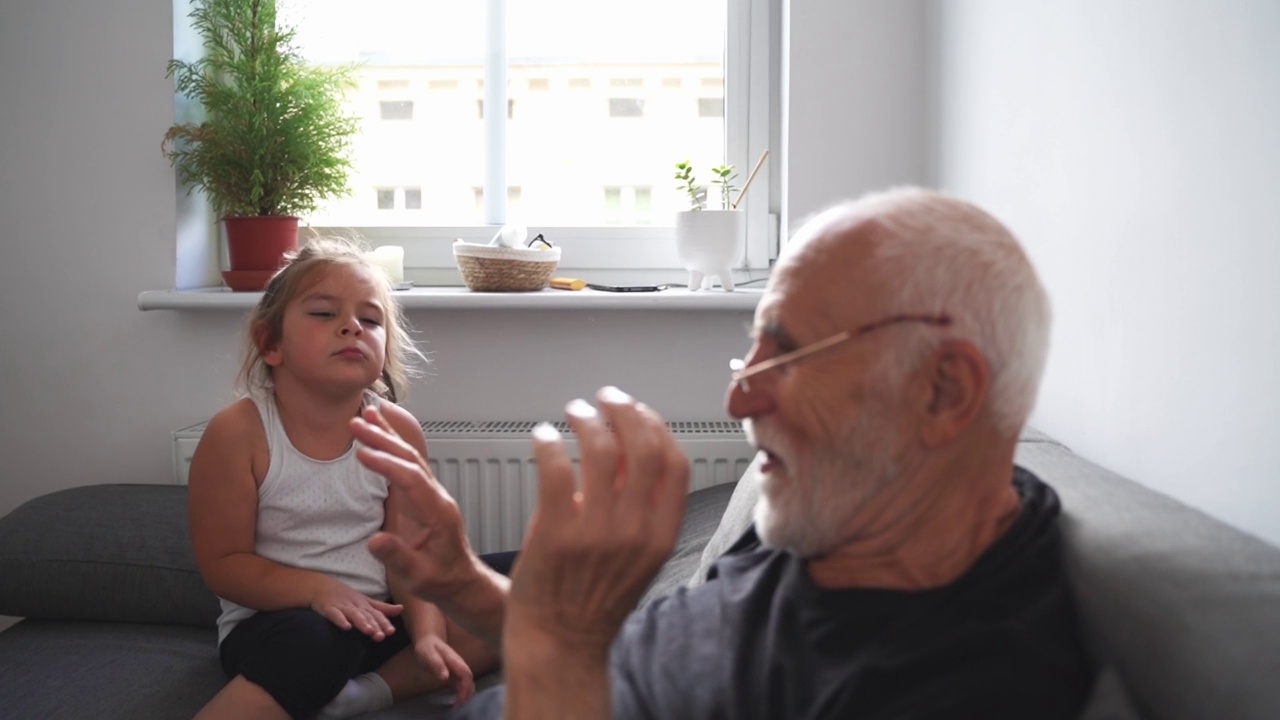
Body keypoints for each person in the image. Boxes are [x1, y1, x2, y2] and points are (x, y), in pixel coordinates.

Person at [350, 187, 1094, 719]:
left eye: (788, 355)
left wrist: (559, 651)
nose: (739, 401)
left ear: (942, 392)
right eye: (751, 353)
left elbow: (578, 662)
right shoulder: (840, 526)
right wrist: (466, 586)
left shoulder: (962, 681)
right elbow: (635, 665)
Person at [187, 239, 497, 720]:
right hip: (284, 627)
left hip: (381, 619)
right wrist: (318, 591)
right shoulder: (238, 432)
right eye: (324, 314)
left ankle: (360, 695)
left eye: (370, 321)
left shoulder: (397, 430)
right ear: (271, 344)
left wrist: (430, 635)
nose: (353, 327)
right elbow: (223, 564)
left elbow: (408, 556)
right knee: (316, 640)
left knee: (524, 592)